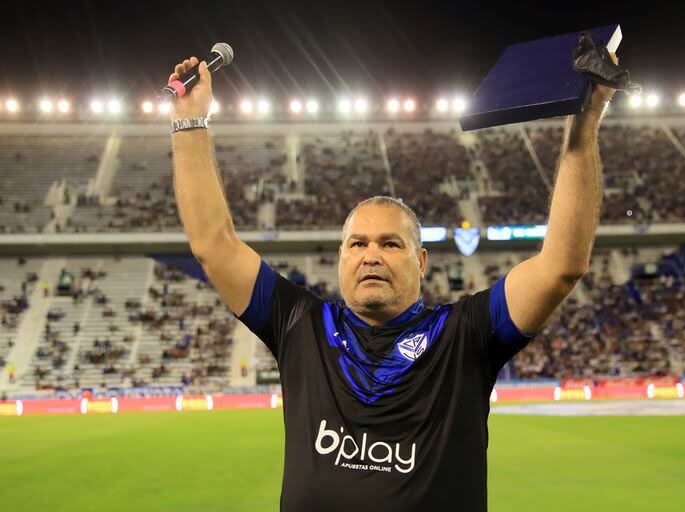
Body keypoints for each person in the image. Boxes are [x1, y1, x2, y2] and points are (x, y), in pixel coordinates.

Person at [169, 54, 617, 511]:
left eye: (390, 244)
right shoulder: (299, 324)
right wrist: (190, 122)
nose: (371, 256)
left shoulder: (465, 334)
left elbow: (563, 262)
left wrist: (584, 120)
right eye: (357, 244)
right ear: (341, 258)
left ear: (421, 261)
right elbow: (214, 244)